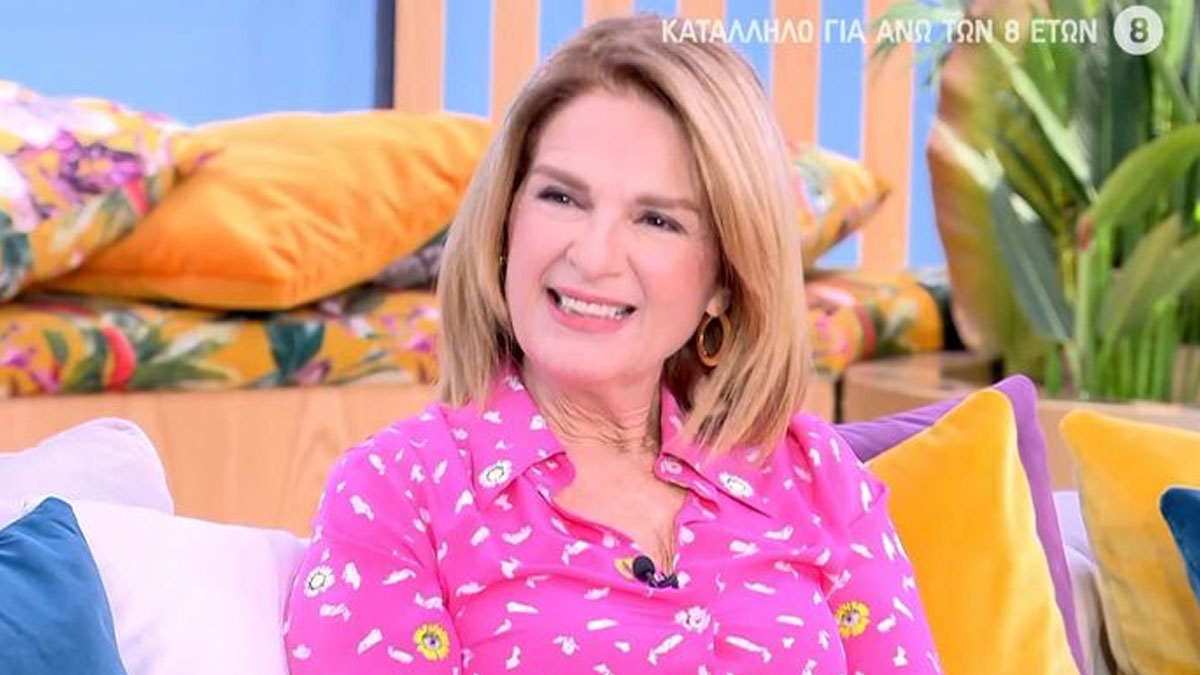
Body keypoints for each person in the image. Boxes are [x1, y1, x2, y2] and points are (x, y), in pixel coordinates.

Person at [284, 14, 940, 674]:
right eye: (562, 197)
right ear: (506, 220)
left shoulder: (816, 475)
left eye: (656, 219)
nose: (594, 257)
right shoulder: (400, 492)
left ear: (724, 276)